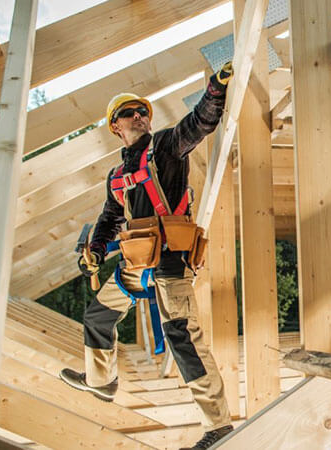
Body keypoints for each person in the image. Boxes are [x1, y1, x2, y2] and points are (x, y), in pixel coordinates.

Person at [60, 62, 234, 450]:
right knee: (97, 316)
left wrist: (215, 88)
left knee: (183, 338)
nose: (139, 117)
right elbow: (108, 221)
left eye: (143, 112)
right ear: (115, 126)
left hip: (170, 262)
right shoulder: (116, 176)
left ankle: (219, 425)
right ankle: (102, 381)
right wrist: (96, 251)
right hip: (136, 264)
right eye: (129, 113)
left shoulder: (167, 147)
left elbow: (200, 123)